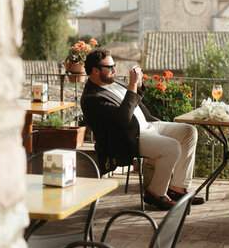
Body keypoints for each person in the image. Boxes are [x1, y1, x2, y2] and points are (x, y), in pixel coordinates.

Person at [80, 49, 203, 210]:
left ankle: (177, 189)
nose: (115, 70)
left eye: (114, 66)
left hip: (147, 125)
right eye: (110, 67)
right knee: (172, 147)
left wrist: (137, 86)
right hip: (130, 137)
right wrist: (132, 85)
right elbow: (122, 120)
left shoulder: (113, 81)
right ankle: (155, 193)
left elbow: (132, 101)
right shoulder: (91, 98)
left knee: (189, 132)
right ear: (95, 71)